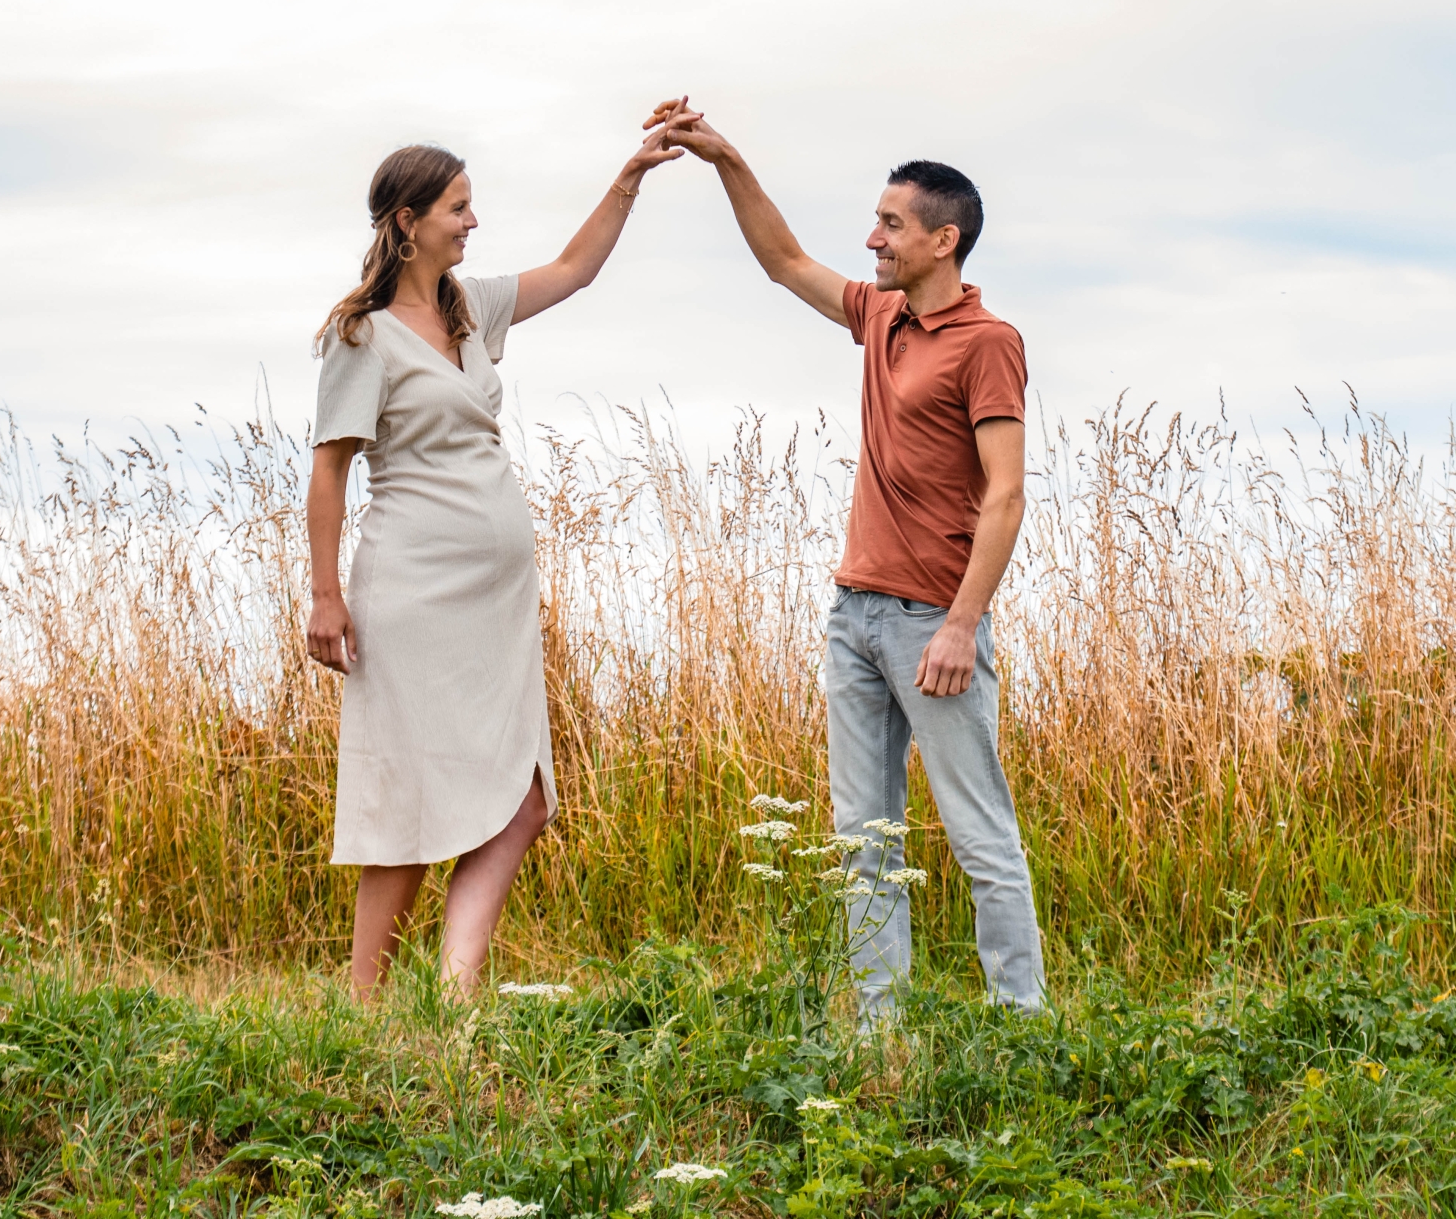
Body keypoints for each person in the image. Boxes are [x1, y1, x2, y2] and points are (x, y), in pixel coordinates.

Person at [650, 99, 1045, 1021]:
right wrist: (725, 160)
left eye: (891, 225)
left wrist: (960, 624)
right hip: (854, 615)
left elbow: (1007, 494)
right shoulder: (883, 318)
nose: (873, 239)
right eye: (875, 222)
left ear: (944, 241)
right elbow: (785, 262)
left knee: (979, 835)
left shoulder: (988, 345)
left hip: (929, 627)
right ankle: (879, 1032)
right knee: (861, 840)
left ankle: (1025, 1029)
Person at [307, 130, 682, 999]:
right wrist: (326, 596)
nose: (474, 221)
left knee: (524, 802)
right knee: (407, 805)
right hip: (411, 589)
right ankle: (362, 1009)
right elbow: (329, 469)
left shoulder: (471, 309)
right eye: (458, 208)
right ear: (408, 222)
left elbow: (575, 268)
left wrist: (628, 176)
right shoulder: (362, 338)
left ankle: (457, 995)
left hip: (494, 606)